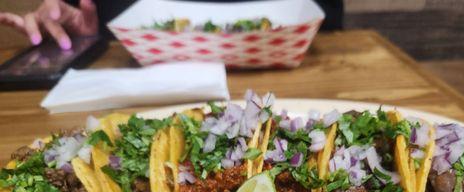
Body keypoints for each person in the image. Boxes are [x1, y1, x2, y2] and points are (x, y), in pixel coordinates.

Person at [0, 0, 343, 50]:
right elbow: (96, 15)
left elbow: (321, 18)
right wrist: (83, 30)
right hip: (126, 76)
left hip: (303, 71)